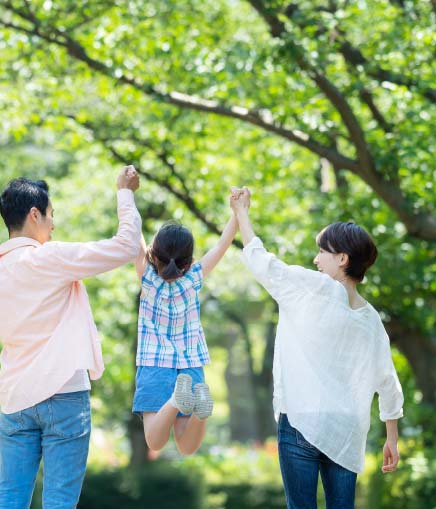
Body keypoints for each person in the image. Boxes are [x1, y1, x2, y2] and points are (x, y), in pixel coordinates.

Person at [229, 187, 403, 509]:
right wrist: (391, 437)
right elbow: (388, 381)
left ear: (342, 258)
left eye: (321, 251)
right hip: (346, 428)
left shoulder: (312, 288)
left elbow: (261, 261)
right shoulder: (371, 321)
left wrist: (242, 212)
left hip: (300, 420)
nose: (315, 259)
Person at [0, 167, 143, 509]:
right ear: (34, 214)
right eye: (51, 215)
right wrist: (124, 193)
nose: (53, 224)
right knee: (59, 503)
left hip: (14, 402)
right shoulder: (50, 258)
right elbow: (128, 246)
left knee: (9, 502)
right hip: (64, 396)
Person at [131, 199, 238, 455]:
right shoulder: (193, 278)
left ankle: (175, 400)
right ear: (189, 261)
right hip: (190, 363)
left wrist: (126, 192)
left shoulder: (147, 278)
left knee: (155, 441)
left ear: (154, 255)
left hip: (155, 362)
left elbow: (133, 230)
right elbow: (223, 243)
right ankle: (199, 412)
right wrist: (237, 211)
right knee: (187, 446)